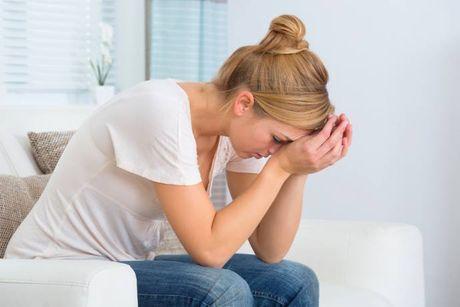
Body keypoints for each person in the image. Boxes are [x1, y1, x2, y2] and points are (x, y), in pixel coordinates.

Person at [5, 14, 352, 306]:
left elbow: (270, 248)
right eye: (278, 140)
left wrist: (300, 170)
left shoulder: (236, 132)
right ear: (244, 104)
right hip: (55, 271)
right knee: (220, 290)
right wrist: (281, 168)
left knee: (293, 280)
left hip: (122, 267)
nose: (275, 152)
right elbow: (210, 251)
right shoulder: (161, 109)